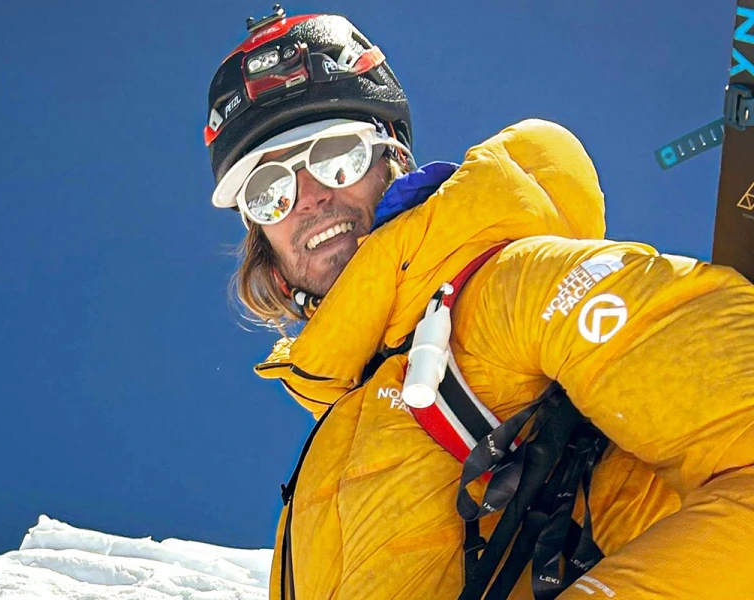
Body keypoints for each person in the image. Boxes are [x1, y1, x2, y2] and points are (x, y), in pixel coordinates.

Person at [202, 7, 754, 600]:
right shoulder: (323, 466)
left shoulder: (509, 290)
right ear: (263, 241)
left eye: (338, 157)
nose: (308, 198)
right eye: (269, 191)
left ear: (394, 161)